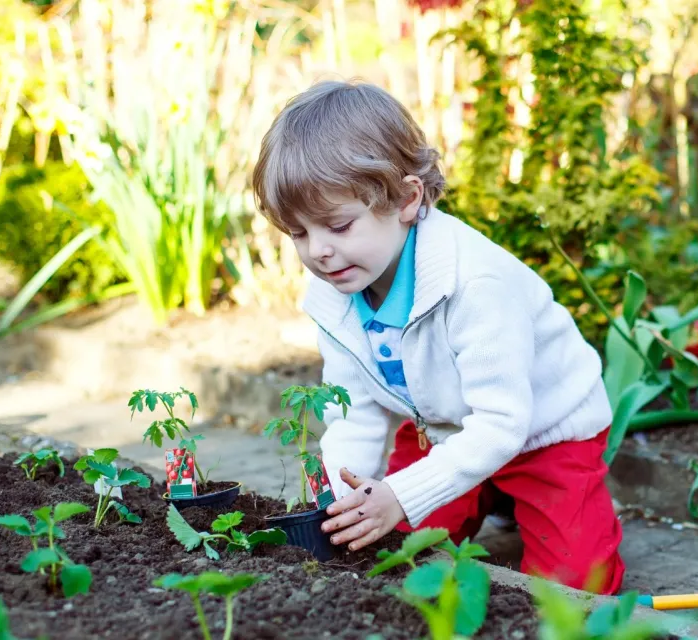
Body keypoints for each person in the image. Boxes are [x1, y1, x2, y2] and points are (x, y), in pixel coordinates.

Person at [251, 79, 625, 594]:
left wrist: (401, 495)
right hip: (442, 429)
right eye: (299, 233)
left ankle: (527, 498)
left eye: (338, 226)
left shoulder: (474, 284)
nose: (318, 252)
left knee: (573, 589)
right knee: (388, 546)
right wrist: (340, 507)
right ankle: (482, 492)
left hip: (540, 432)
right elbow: (354, 411)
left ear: (407, 198)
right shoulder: (339, 290)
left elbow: (501, 425)